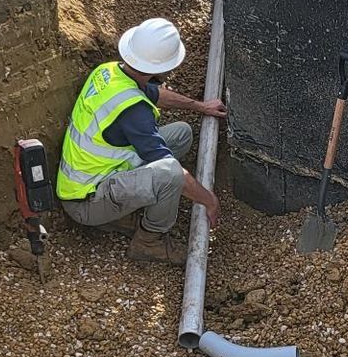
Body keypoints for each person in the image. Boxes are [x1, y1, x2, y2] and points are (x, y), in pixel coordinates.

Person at [55, 18, 225, 266]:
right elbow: (170, 168)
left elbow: (156, 94)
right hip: (86, 200)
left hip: (97, 174)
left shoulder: (109, 71)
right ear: (161, 66)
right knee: (171, 174)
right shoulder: (134, 112)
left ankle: (124, 214)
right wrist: (209, 200)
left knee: (181, 133)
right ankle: (149, 242)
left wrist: (200, 107)